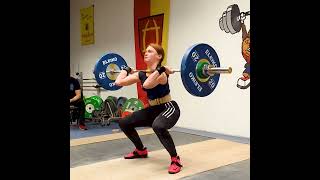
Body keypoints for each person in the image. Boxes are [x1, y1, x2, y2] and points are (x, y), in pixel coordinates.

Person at [115, 43, 182, 174]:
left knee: (158, 126)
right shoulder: (144, 73)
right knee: (124, 122)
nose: (146, 53)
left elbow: (147, 84)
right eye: (145, 51)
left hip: (168, 107)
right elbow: (118, 82)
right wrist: (126, 70)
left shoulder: (162, 75)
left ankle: (175, 159)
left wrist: (161, 70)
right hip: (152, 109)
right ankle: (141, 150)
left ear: (159, 56)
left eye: (150, 51)